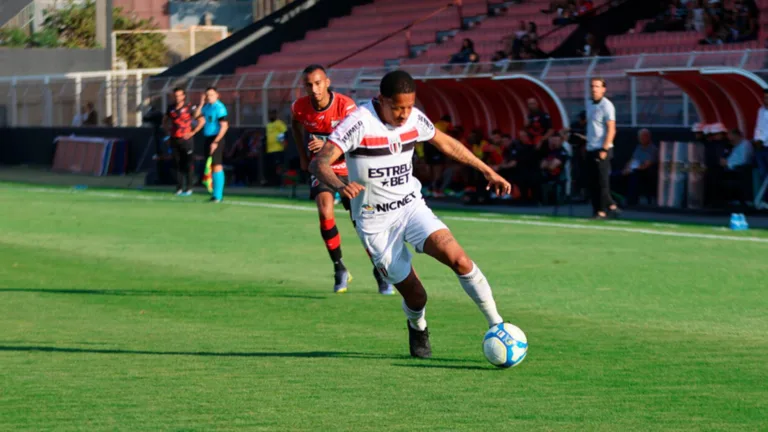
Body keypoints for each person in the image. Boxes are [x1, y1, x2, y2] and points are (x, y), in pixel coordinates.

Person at [309, 70, 511, 358]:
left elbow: (445, 142)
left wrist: (487, 171)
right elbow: (319, 163)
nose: (405, 114)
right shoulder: (359, 122)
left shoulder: (414, 118)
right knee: (417, 296)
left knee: (460, 259)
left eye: (409, 106)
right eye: (398, 107)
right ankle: (418, 325)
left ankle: (497, 325)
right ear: (382, 100)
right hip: (375, 223)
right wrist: (341, 185)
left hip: (411, 208)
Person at [290, 64, 394, 295]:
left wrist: (326, 142)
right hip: (323, 168)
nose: (314, 89)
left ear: (327, 82)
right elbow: (296, 125)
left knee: (361, 222)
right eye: (309, 84)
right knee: (324, 211)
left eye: (318, 83)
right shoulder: (299, 107)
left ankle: (380, 271)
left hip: (350, 167)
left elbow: (358, 138)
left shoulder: (345, 106)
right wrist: (302, 156)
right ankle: (339, 268)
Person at [586, 77, 620, 219]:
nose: (594, 89)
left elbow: (611, 129)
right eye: (593, 86)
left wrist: (604, 149)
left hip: (601, 148)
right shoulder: (589, 103)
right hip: (590, 147)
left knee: (602, 182)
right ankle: (606, 207)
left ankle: (603, 210)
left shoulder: (607, 106)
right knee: (592, 182)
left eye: (598, 86)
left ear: (603, 89)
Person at [192, 87, 229, 202]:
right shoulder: (207, 107)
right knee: (211, 166)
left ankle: (218, 196)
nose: (209, 97)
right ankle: (214, 194)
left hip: (216, 138)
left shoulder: (220, 108)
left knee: (217, 165)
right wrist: (201, 103)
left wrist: (216, 142)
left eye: (212, 95)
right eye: (207, 95)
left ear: (217, 95)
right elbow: (196, 116)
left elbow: (224, 126)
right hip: (208, 137)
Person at [163, 87, 197, 196]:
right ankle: (179, 188)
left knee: (188, 164)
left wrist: (192, 132)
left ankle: (189, 187)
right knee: (178, 164)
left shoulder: (189, 107)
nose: (177, 98)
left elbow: (201, 120)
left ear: (183, 96)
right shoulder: (171, 108)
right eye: (176, 96)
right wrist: (168, 132)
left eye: (179, 95)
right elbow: (165, 121)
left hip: (186, 140)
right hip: (175, 139)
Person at [265, 110, 288, 186]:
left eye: (272, 114)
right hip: (270, 150)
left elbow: (284, 134)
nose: (270, 116)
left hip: (278, 149)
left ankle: (280, 182)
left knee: (279, 166)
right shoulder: (268, 125)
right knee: (271, 167)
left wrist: (284, 143)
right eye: (269, 115)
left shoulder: (279, 123)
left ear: (275, 115)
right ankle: (272, 182)